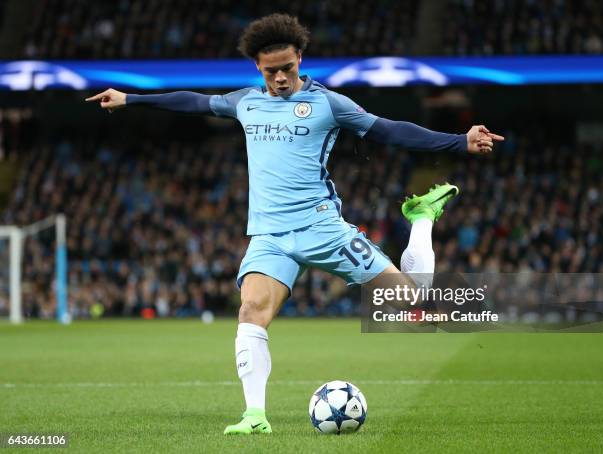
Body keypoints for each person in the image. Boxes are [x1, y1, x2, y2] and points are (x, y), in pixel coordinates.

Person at [86, 13, 503, 435]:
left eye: (288, 67)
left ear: (300, 58)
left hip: (323, 229)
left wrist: (458, 141)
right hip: (270, 236)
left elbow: (388, 130)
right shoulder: (245, 102)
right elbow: (192, 102)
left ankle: (421, 218)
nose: (281, 77)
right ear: (257, 68)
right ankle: (254, 417)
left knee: (418, 311)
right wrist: (130, 99)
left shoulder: (328, 103)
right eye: (272, 71)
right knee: (251, 310)